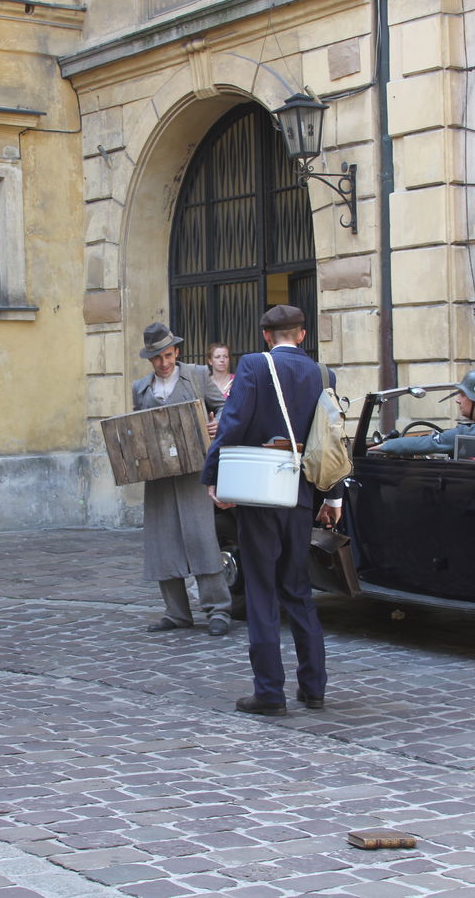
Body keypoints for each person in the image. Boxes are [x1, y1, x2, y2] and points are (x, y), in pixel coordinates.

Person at [201, 305, 341, 716]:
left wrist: (214, 475)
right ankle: (314, 687)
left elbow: (234, 423)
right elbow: (331, 439)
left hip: (259, 490)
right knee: (298, 589)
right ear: (302, 335)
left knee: (262, 590)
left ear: (266, 336)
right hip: (301, 495)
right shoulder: (323, 375)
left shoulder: (254, 367)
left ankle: (269, 692)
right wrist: (332, 497)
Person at [133, 323, 233, 636]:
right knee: (164, 543)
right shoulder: (141, 388)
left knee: (202, 538)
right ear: (150, 360)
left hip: (194, 471)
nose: (163, 363)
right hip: (159, 476)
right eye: (157, 358)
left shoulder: (198, 376)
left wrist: (221, 426)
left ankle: (218, 611)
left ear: (176, 351)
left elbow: (227, 406)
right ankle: (176, 613)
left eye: (167, 355)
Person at [378, 369, 475, 457]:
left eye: (462, 395)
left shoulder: (465, 435)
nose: (458, 400)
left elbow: (428, 443)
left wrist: (384, 446)